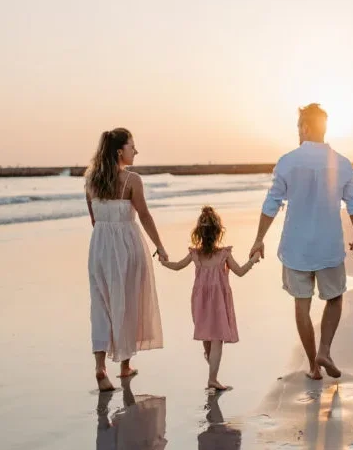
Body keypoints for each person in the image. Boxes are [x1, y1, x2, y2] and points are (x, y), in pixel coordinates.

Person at [250, 103, 353, 380]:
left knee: (302, 304)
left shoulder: (288, 161)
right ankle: (324, 349)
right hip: (328, 247)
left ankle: (314, 367)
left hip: (296, 248)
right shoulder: (342, 163)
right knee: (334, 298)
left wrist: (259, 239)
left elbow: (272, 203)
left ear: (305, 127)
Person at [85, 128, 166, 391]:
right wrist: (160, 246)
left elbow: (94, 220)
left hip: (99, 247)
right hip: (127, 245)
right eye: (133, 146)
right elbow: (144, 215)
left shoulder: (90, 180)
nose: (136, 151)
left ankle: (100, 369)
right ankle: (124, 366)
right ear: (120, 150)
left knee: (101, 304)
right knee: (127, 301)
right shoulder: (132, 179)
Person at [161, 206, 260, 390]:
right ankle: (213, 375)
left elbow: (176, 266)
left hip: (199, 302)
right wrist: (253, 260)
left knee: (209, 338)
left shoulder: (195, 255)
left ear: (199, 233)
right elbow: (240, 272)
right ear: (218, 233)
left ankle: (212, 377)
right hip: (219, 302)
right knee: (215, 339)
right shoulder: (223, 254)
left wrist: (163, 261)